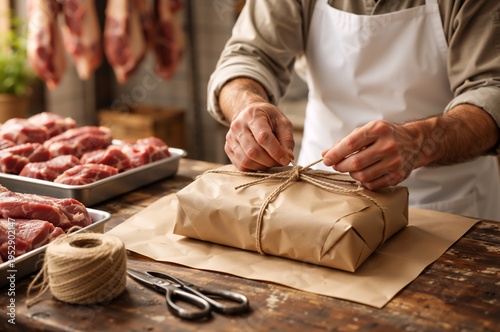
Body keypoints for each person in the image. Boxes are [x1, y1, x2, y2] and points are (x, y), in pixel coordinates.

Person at [207, 0, 500, 221]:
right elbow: (248, 56)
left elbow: (493, 89)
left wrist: (420, 142)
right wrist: (248, 104)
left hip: (448, 209)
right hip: (320, 203)